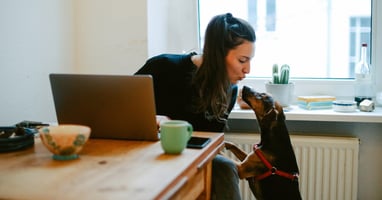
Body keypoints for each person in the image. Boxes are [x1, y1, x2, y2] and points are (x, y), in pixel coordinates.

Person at [135, 13, 256, 200]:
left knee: (225, 167)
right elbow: (121, 105)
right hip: (145, 154)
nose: (247, 70)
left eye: (249, 61)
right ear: (219, 53)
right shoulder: (163, 67)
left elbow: (211, 143)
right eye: (242, 60)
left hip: (193, 158)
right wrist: (151, 118)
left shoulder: (229, 90)